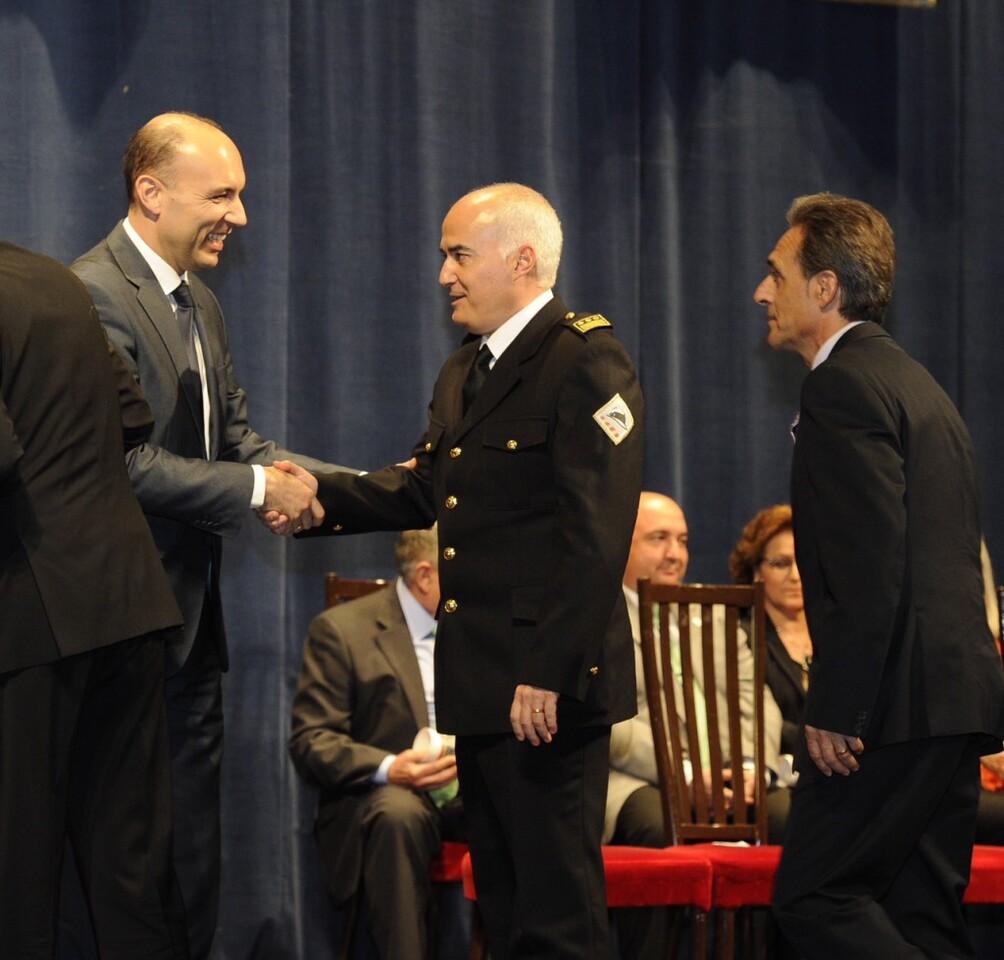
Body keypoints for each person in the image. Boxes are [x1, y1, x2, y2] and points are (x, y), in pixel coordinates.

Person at [285, 182, 645, 959]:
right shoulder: (465, 371)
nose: (444, 274)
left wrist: (548, 671)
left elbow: (596, 536)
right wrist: (315, 496)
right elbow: (424, 488)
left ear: (521, 260)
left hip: (546, 689)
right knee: (507, 911)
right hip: (482, 684)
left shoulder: (585, 360)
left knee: (558, 917)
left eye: (458, 255)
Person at [70, 112, 353, 959]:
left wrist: (371, 491)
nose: (241, 216)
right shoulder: (91, 295)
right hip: (120, 634)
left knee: (194, 864)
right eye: (222, 196)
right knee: (128, 869)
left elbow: (236, 444)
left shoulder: (201, 302)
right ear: (151, 193)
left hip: (193, 634)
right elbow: (121, 465)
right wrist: (262, 488)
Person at [757, 192, 1004, 958]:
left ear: (825, 287)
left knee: (815, 897)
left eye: (776, 274)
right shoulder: (920, 386)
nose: (762, 292)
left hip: (890, 706)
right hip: (952, 700)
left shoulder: (841, 385)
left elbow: (870, 563)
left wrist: (841, 706)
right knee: (919, 917)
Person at [0, 241, 188, 959]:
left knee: (18, 867)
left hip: (29, 614)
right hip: (126, 597)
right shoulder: (52, 278)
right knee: (131, 866)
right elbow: (133, 415)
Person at [606, 491, 784, 960]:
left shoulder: (715, 614)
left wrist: (750, 769)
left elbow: (760, 702)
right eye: (659, 539)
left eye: (683, 541)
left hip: (728, 781)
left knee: (797, 817)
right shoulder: (598, 620)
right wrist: (684, 778)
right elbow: (609, 725)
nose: (675, 554)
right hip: (638, 782)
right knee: (655, 823)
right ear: (620, 542)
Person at [289, 527, 464, 959]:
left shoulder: (480, 630)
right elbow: (312, 741)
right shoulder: (343, 630)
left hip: (470, 790)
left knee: (530, 804)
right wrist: (391, 768)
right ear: (426, 575)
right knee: (396, 816)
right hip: (389, 796)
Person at [729, 504, 809, 756]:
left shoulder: (834, 633)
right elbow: (750, 721)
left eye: (804, 562)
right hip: (773, 763)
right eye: (781, 564)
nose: (795, 575)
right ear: (756, 572)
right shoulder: (740, 637)